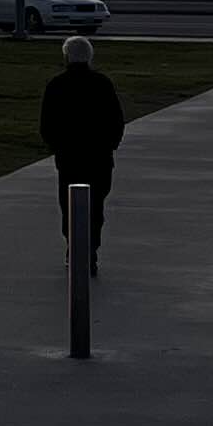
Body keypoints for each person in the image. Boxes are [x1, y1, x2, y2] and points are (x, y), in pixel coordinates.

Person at [40, 33, 125, 271]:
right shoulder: (102, 84)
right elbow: (116, 120)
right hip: (99, 157)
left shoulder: (57, 85)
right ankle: (90, 250)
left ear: (66, 57)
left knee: (69, 205)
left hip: (69, 157)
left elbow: (47, 123)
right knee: (95, 206)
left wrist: (56, 147)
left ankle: (74, 246)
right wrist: (110, 144)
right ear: (89, 57)